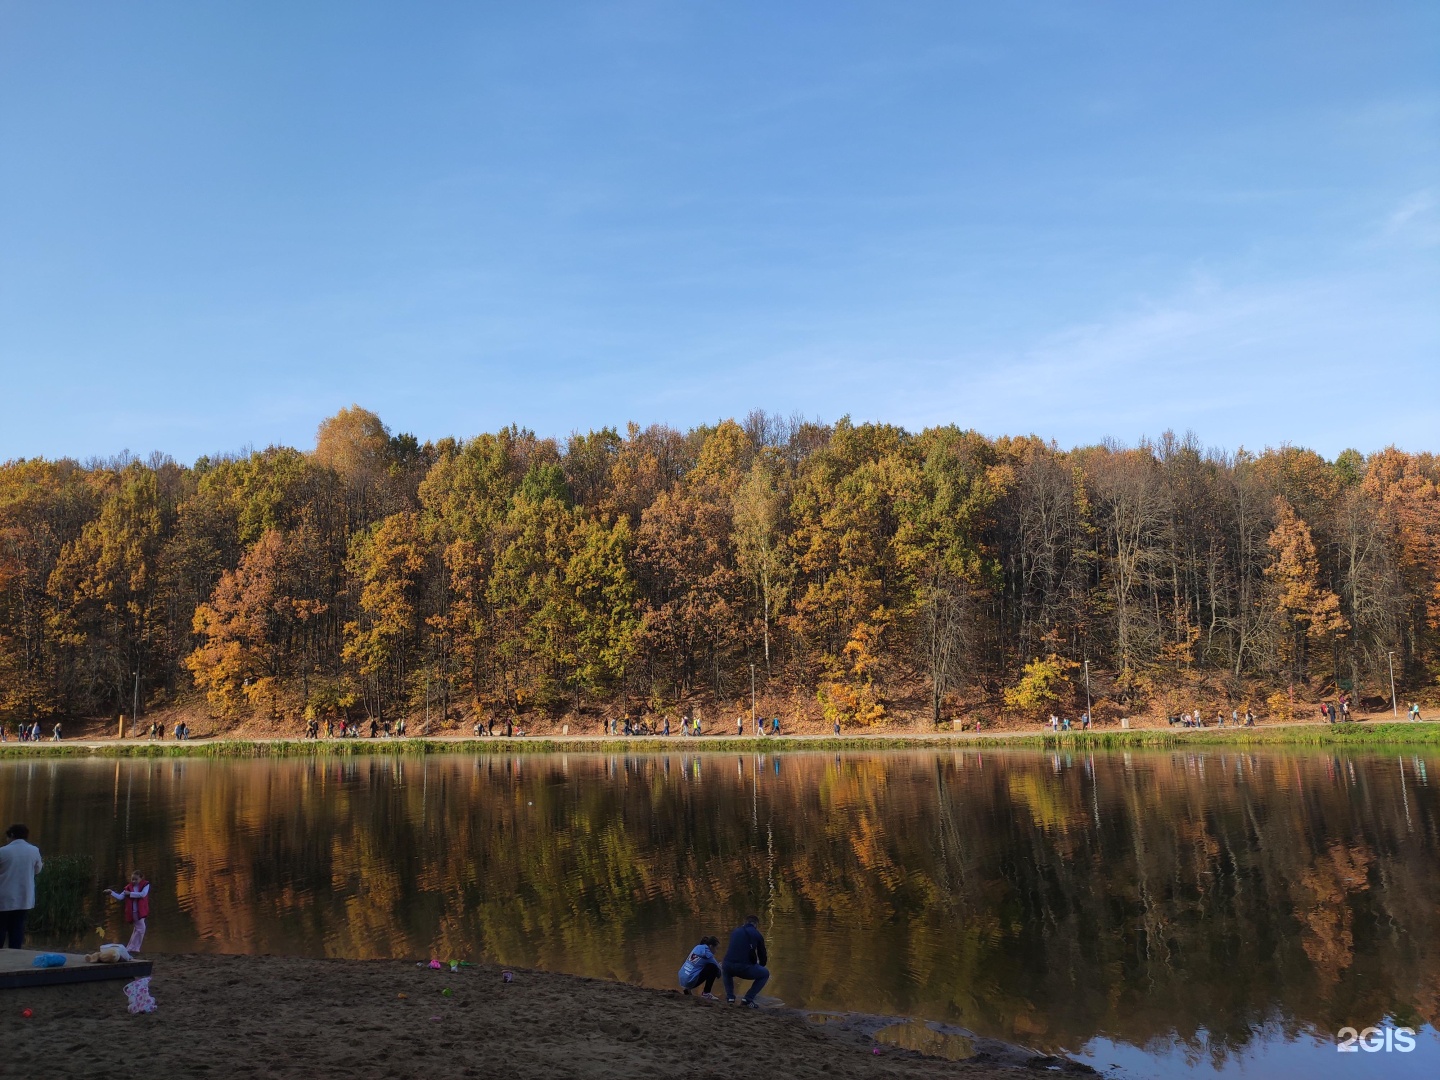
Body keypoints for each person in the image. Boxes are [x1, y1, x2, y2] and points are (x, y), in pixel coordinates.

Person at [0, 824, 43, 950]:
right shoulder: (34, 850)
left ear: (12, 835)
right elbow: (38, 870)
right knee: (17, 928)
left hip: (4, 895)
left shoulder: (3, 851)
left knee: (1, 927)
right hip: (24, 895)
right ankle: (15, 954)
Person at [721, 915, 769, 1008]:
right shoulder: (757, 934)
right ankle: (747, 999)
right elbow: (762, 955)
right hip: (744, 968)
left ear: (745, 922)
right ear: (756, 924)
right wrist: (760, 966)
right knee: (765, 974)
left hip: (728, 966)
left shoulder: (735, 931)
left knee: (725, 969)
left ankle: (730, 998)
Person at [106, 871, 151, 954]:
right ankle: (134, 948)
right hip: (134, 912)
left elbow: (143, 894)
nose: (133, 881)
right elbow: (120, 897)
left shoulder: (145, 885)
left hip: (141, 911)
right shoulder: (128, 888)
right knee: (141, 929)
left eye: (136, 879)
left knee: (137, 929)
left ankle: (130, 947)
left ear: (141, 878)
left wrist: (130, 894)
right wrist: (111, 892)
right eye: (132, 879)